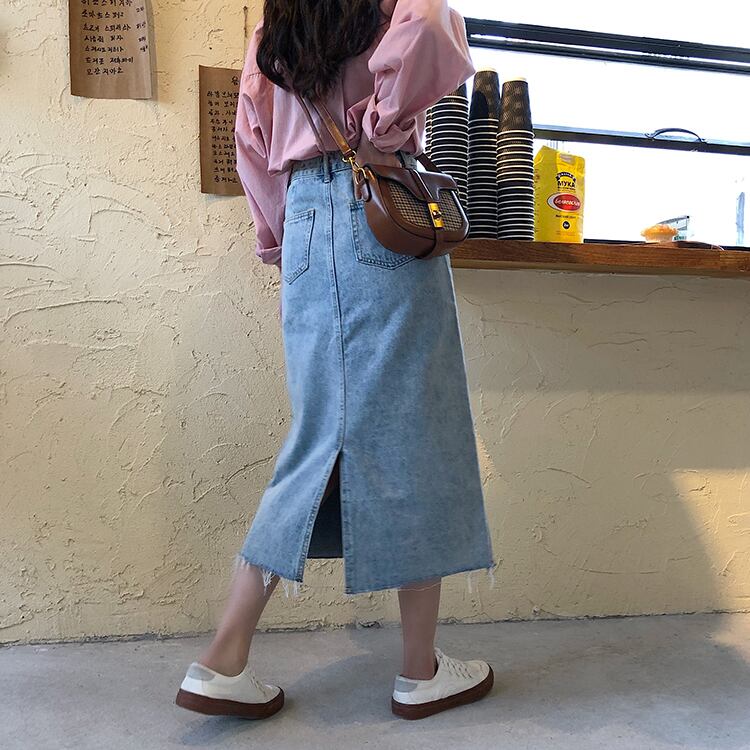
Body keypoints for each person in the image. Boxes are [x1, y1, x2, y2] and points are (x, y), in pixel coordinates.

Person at [175, 0, 495, 721]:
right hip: (376, 209)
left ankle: (226, 655)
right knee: (416, 436)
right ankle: (418, 669)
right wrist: (381, 128)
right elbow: (434, 26)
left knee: (320, 432)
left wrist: (279, 238)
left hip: (305, 223)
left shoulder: (278, 23)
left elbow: (251, 141)